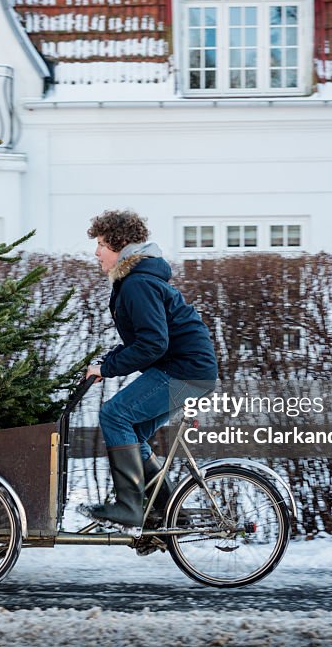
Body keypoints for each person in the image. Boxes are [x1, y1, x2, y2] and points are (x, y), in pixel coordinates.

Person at [80, 210, 219, 529]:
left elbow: (153, 343)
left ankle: (129, 506)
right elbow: (147, 339)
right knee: (135, 434)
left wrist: (109, 366)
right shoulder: (136, 280)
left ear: (118, 245)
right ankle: (170, 515)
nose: (96, 252)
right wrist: (106, 363)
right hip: (189, 371)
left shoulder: (137, 283)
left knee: (115, 415)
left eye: (101, 244)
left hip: (184, 372)